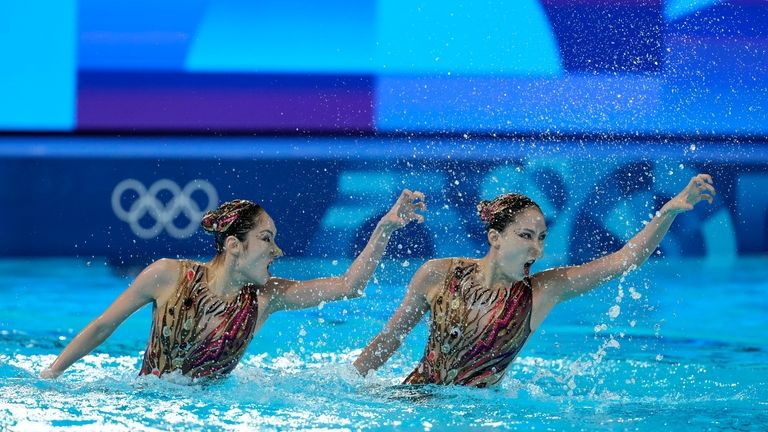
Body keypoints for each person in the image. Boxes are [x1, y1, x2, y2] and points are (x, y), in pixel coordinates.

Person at [353, 174, 716, 387]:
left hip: (476, 419)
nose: (537, 250)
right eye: (526, 236)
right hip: (413, 404)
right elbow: (389, 340)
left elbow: (624, 260)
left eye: (542, 238)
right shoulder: (437, 274)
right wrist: (350, 385)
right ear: (495, 238)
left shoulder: (544, 290)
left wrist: (667, 212)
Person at [41, 189, 426, 380]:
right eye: (267, 239)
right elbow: (103, 326)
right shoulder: (168, 275)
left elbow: (349, 285)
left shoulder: (266, 298)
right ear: (233, 246)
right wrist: (51, 375)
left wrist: (385, 228)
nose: (277, 250)